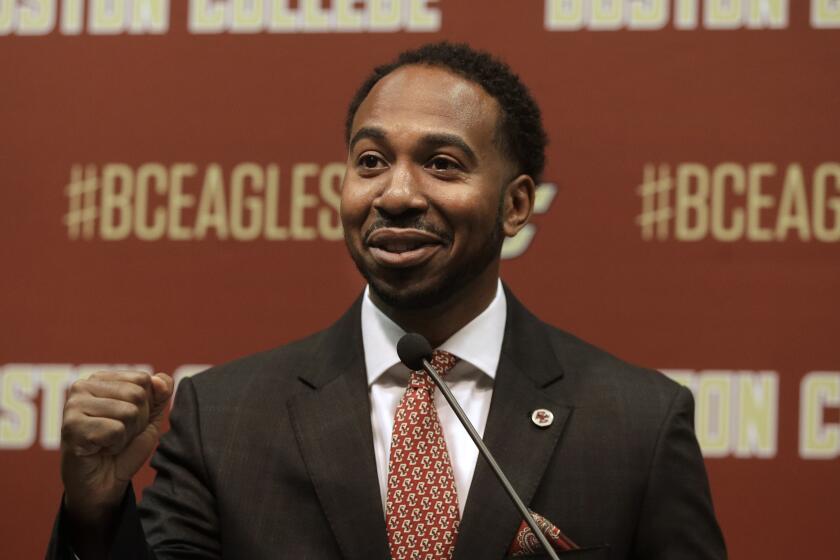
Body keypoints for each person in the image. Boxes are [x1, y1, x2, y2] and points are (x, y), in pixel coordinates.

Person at [48, 42, 726, 560]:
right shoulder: (223, 419)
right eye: (370, 161)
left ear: (516, 205)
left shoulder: (636, 424)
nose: (395, 194)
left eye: (442, 164)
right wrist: (96, 511)